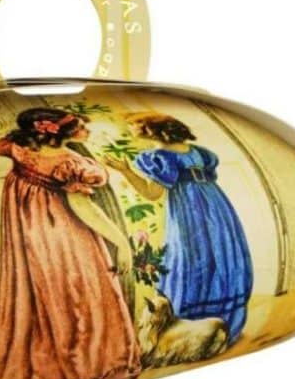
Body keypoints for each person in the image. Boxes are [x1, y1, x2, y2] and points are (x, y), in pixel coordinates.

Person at [0, 108, 141, 379]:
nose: (85, 128)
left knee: (44, 302)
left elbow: (2, 147)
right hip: (65, 238)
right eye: (78, 125)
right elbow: (84, 208)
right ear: (59, 132)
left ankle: (60, 372)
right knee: (79, 296)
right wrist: (121, 242)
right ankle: (91, 371)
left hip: (31, 239)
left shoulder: (22, 151)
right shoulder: (67, 164)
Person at [104, 112, 253, 344]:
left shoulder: (160, 156)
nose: (131, 129)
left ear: (149, 129)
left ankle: (191, 329)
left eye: (133, 125)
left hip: (188, 213)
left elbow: (152, 193)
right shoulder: (198, 153)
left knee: (190, 258)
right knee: (218, 255)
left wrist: (125, 170)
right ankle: (221, 323)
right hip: (217, 207)